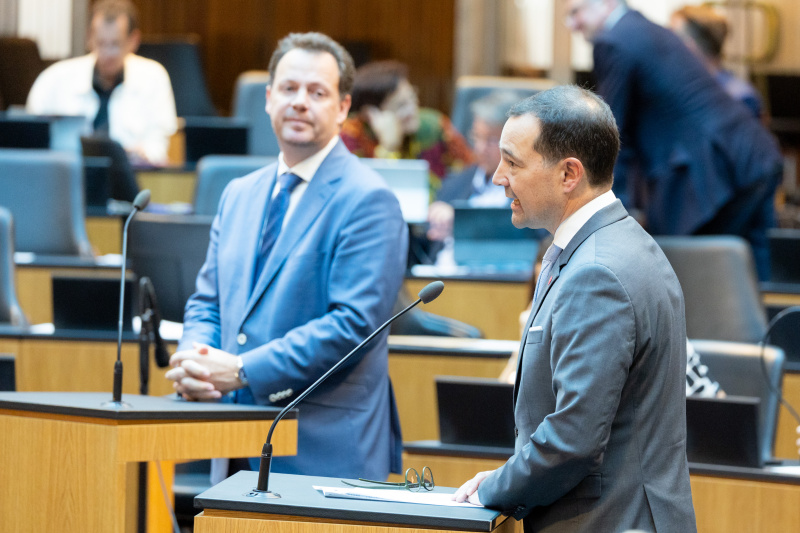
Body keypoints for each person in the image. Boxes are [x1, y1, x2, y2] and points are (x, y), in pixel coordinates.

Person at [453, 85, 697, 532]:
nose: (497, 177)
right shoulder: (617, 243)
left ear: (569, 174)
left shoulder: (597, 272)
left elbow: (573, 439)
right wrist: (509, 478)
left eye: (512, 162)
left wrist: (493, 491)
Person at [165, 32, 408, 481]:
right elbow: (208, 302)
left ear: (342, 108)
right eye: (289, 89)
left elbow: (352, 326)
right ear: (268, 97)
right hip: (234, 443)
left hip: (324, 448)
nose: (300, 102)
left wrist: (241, 370)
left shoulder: (369, 200)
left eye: (317, 93)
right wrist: (194, 360)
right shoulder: (238, 193)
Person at [564, 0, 783, 280]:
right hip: (754, 156)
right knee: (759, 281)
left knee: (693, 282)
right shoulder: (645, 28)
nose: (573, 25)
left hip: (713, 174)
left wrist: (611, 216)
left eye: (576, 12)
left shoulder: (614, 41)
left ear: (606, 4)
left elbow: (609, 136)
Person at [26, 0, 177, 165]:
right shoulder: (54, 80)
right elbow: (32, 143)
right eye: (101, 43)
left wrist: (143, 155)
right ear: (89, 38)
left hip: (129, 178)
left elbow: (158, 148)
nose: (107, 53)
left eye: (115, 44)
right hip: (68, 178)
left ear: (133, 40)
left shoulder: (153, 78)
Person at [340, 60, 474, 196]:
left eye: (412, 97)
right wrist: (388, 148)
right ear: (370, 114)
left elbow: (473, 171)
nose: (412, 110)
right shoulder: (351, 135)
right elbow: (366, 193)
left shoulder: (434, 126)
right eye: (401, 106)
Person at [427, 90, 518, 245]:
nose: (480, 148)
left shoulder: (529, 192)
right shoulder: (454, 183)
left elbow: (526, 236)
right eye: (477, 137)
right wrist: (434, 219)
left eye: (491, 140)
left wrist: (461, 223)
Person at [670, 5, 763, 120]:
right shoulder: (683, 90)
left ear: (695, 44)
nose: (670, 44)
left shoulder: (739, 97)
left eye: (677, 37)